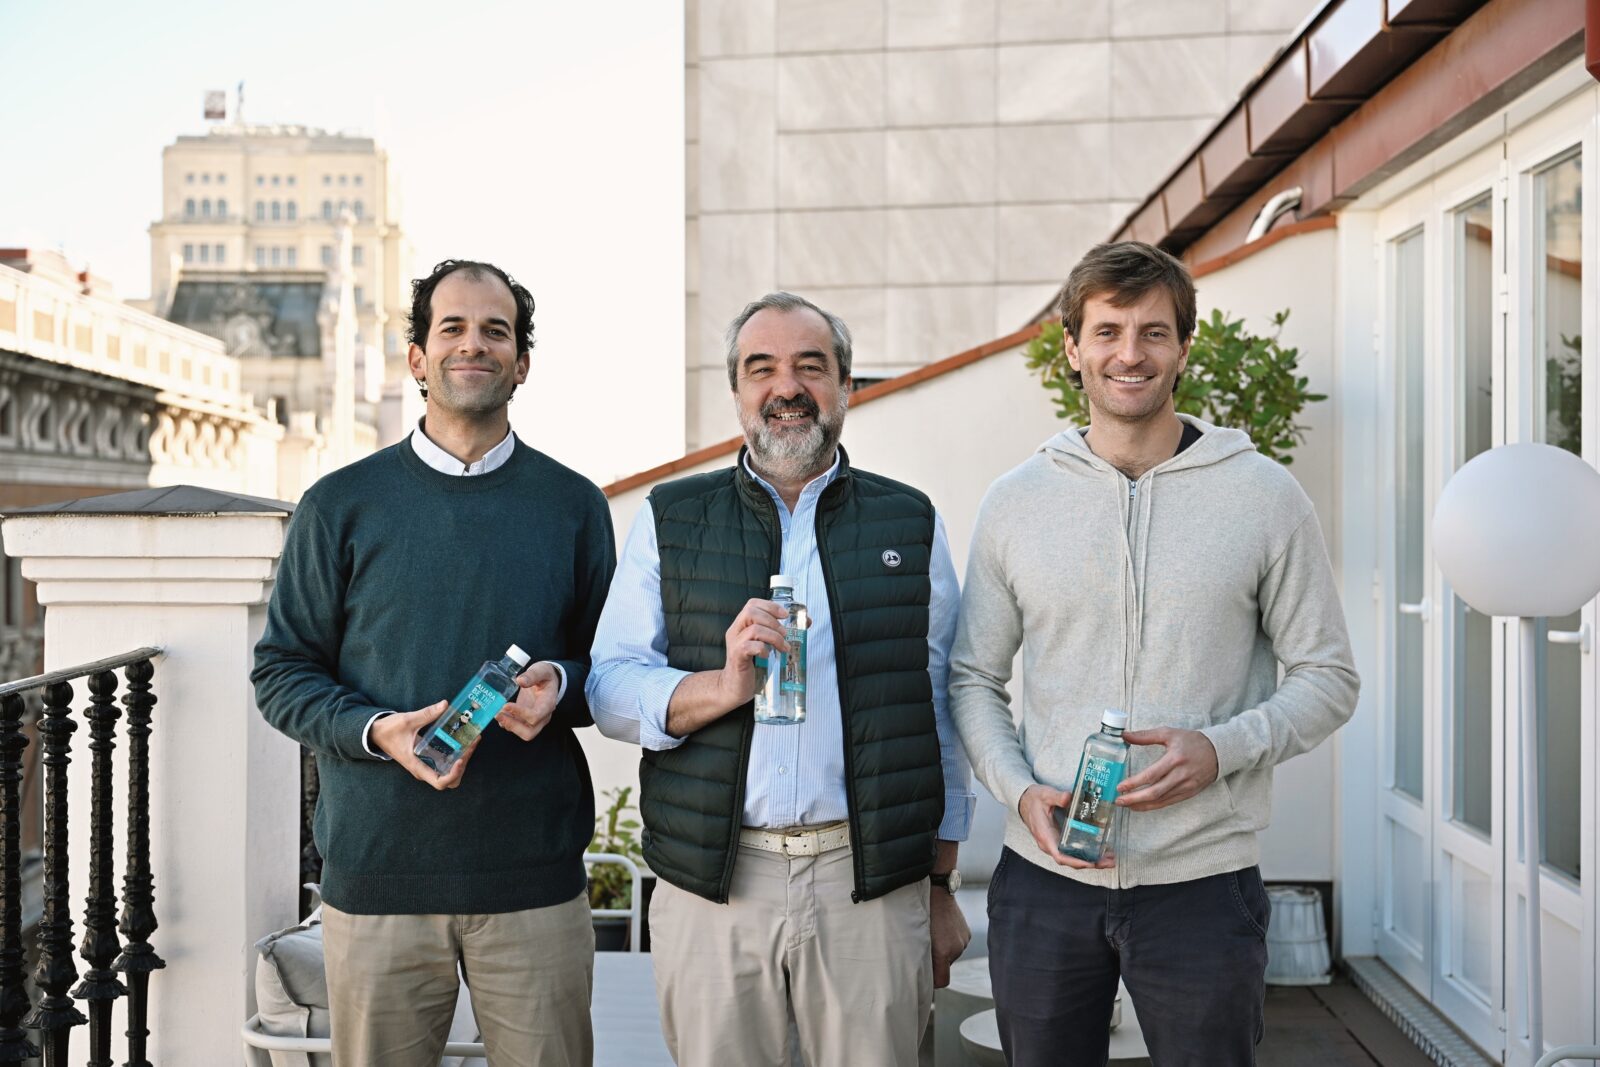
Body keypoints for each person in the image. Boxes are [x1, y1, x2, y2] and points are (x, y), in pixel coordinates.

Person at [950, 241, 1359, 1066]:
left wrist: (1223, 748)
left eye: (1152, 332)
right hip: (1046, 878)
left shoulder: (1264, 496)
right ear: (1071, 348)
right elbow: (973, 678)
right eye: (1106, 331)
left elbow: (1329, 677)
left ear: (1184, 347)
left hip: (1204, 884)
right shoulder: (1017, 502)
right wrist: (1021, 791)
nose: (1129, 353)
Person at [587, 291, 975, 1067]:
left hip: (870, 884)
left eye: (810, 366)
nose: (786, 387)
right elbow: (608, 685)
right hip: (716, 885)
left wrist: (939, 884)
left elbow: (942, 706)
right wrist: (720, 687)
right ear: (736, 391)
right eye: (761, 368)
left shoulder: (910, 522)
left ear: (846, 386)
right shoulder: (671, 516)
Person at [252, 259, 615, 1067]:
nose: (473, 345)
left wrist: (562, 684)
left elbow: (613, 668)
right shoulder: (339, 505)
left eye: (496, 330)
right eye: (451, 327)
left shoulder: (574, 505)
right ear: (416, 358)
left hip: (533, 885)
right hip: (378, 883)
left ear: (522, 362)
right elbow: (281, 672)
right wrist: (377, 730)